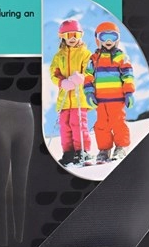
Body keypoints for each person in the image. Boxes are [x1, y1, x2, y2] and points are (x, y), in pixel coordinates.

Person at [84, 21, 135, 164]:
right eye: (104, 36)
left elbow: (128, 76)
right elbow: (88, 76)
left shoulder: (121, 57)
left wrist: (129, 93)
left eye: (112, 37)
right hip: (100, 100)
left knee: (118, 124)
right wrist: (89, 93)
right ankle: (104, 150)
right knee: (101, 126)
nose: (108, 41)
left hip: (117, 100)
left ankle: (121, 147)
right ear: (97, 39)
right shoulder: (94, 59)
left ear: (117, 39)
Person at [50, 19, 92, 167]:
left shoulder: (85, 54)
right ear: (62, 37)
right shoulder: (58, 56)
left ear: (81, 35)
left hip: (79, 98)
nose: (73, 38)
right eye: (69, 35)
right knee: (65, 126)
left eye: (76, 34)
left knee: (78, 124)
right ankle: (68, 153)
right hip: (64, 98)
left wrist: (82, 77)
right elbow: (53, 73)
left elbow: (90, 71)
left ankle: (82, 151)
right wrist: (62, 82)